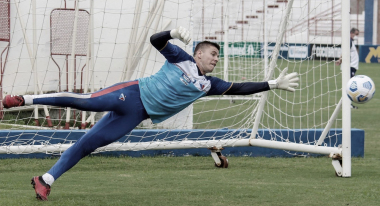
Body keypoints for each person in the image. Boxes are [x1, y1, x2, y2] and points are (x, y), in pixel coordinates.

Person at [2, 26, 299, 201]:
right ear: (198, 53)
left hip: (136, 115)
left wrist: (271, 83)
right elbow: (156, 41)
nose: (216, 59)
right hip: (131, 93)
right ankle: (23, 99)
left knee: (88, 145)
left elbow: (240, 88)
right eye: (212, 54)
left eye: (218, 56)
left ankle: (45, 181)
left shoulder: (210, 85)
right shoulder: (180, 57)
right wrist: (172, 33)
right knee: (84, 101)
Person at [336, 28, 360, 109]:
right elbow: (345, 52)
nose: (356, 36)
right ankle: (347, 103)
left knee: (349, 85)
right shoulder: (349, 41)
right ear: (351, 33)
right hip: (350, 67)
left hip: (352, 67)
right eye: (356, 34)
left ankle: (347, 102)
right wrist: (340, 60)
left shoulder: (350, 41)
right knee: (350, 86)